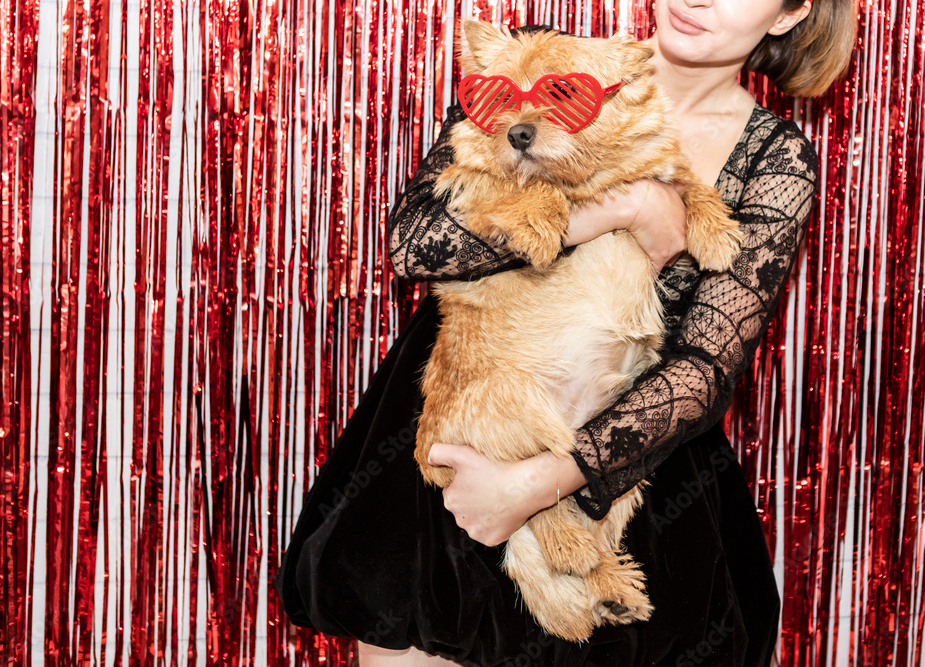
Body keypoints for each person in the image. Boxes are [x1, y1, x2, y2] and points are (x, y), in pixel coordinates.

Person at [275, 0, 856, 664]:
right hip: (461, 430)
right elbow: (416, 242)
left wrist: (530, 486)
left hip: (622, 474)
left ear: (789, 15)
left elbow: (703, 370)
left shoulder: (775, 158)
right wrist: (626, 206)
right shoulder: (540, 63)